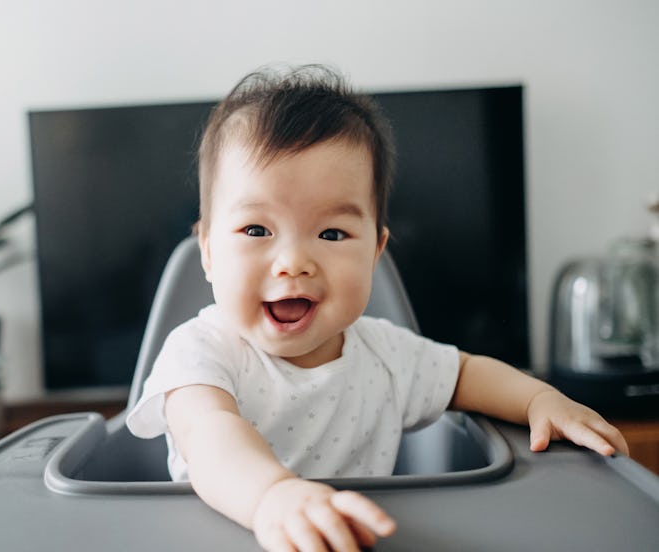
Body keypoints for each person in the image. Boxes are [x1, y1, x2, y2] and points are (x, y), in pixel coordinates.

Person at [126, 65, 629, 552]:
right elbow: (210, 435)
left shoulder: (386, 354)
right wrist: (273, 497)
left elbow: (466, 375)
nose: (294, 262)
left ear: (374, 252)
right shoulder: (199, 353)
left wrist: (542, 400)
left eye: (332, 233)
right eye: (257, 230)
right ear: (209, 253)